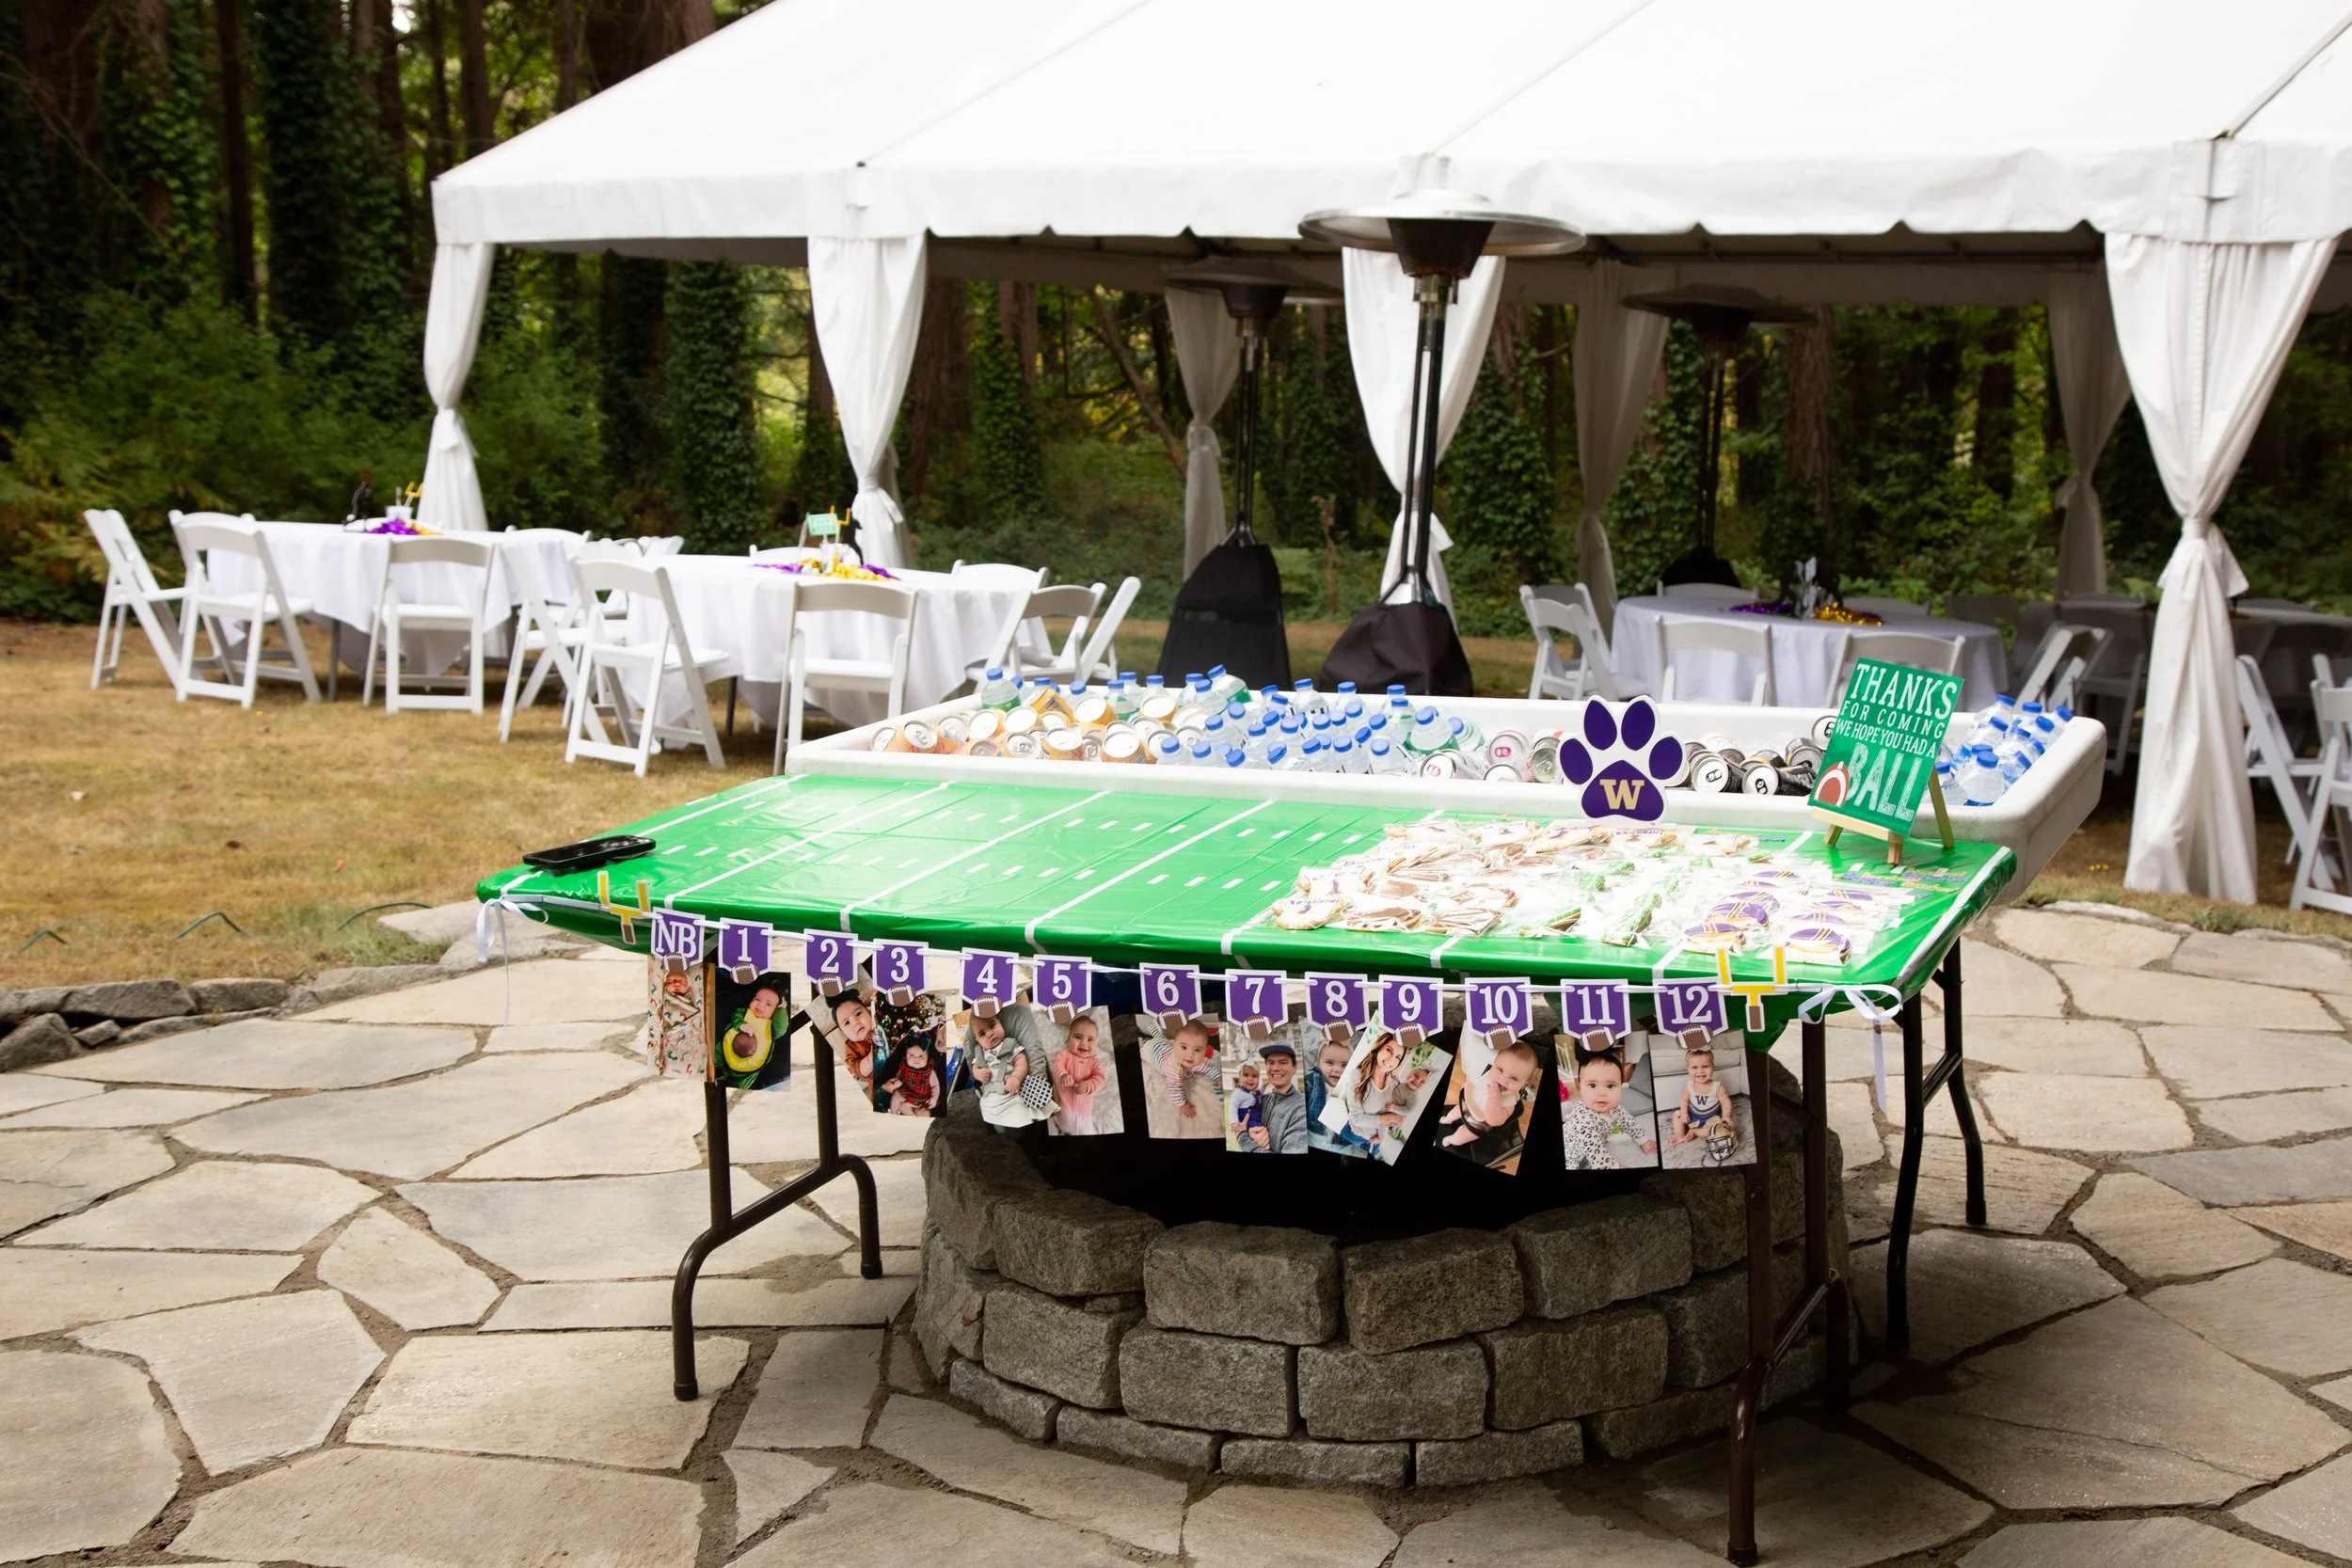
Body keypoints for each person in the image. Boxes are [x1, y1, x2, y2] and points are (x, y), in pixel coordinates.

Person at [1436, 1037, 1539, 1171]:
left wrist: (1494, 1098)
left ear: (1524, 1084)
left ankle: (1451, 1139)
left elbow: (1493, 1120)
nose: (1503, 1080)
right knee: (1454, 1112)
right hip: (1468, 1105)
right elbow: (1473, 1082)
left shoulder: (1510, 1103)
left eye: (1514, 1078)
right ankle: (1447, 1120)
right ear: (1494, 1064)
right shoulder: (1488, 1075)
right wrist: (1467, 1086)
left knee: (1462, 1136)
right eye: (1500, 1069)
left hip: (1479, 1124)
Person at [1561, 1046, 1659, 1171]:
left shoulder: (1615, 1108)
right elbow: (1599, 1158)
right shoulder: (1582, 1122)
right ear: (1580, 1086)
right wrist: (1613, 1166)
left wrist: (1643, 1141)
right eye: (1592, 1085)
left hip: (1595, 1142)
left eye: (1610, 1085)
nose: (1602, 1093)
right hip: (1570, 1154)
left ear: (1621, 1086)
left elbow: (1629, 1123)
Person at [1344, 1031, 1432, 1152]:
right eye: (1389, 1050)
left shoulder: (1394, 1083)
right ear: (1378, 1048)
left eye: (1397, 1057)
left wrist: (1399, 1120)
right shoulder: (1357, 1076)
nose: (1392, 1060)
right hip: (1355, 1136)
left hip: (1377, 1142)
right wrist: (1389, 1117)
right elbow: (1356, 1118)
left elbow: (1399, 1109)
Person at [969, 1004, 1049, 1128]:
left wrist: (1016, 1077)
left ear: (1000, 1022)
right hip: (991, 1099)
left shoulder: (1011, 1045)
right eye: (982, 1034)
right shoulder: (980, 1054)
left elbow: (1021, 1062)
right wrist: (979, 1074)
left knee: (1021, 1112)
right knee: (986, 1113)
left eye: (992, 1026)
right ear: (977, 1040)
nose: (990, 1034)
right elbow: (975, 1069)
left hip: (1013, 1093)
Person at [1146, 1019, 1222, 1138]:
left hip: (1165, 1045)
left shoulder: (1198, 1062)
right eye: (1184, 1047)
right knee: (1153, 1043)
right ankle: (1148, 1037)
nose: (1190, 1055)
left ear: (1204, 1050)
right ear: (1175, 1044)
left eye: (1197, 1050)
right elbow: (1174, 1089)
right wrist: (1183, 1104)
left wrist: (1217, 1078)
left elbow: (1208, 1068)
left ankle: (1155, 1032)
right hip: (1153, 1051)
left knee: (1162, 1040)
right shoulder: (1173, 1070)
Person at [1306, 1036, 1373, 1158]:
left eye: (1344, 1065)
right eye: (1329, 1063)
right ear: (1319, 1063)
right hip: (1311, 1140)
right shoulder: (1312, 1081)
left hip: (1343, 1147)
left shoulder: (1354, 1087)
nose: (1337, 1069)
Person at [1242, 1040, 1309, 1154]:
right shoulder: (1261, 1100)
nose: (1276, 1068)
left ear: (1294, 1068)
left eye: (1283, 1062)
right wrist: (1248, 1131)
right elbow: (1240, 1121)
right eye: (1271, 1062)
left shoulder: (1302, 1110)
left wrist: (1243, 1137)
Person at [1050, 1013, 1110, 1133]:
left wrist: (1087, 1086)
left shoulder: (1094, 1063)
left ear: (1096, 1043)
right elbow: (1057, 1064)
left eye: (1090, 1039)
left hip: (1084, 1117)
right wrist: (1063, 1074)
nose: (1083, 1043)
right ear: (1069, 1038)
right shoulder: (1065, 1055)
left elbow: (1100, 1079)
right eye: (1078, 1037)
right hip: (1062, 1110)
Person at [1668, 1045, 1733, 1151]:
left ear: (1713, 1067)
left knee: (1719, 1128)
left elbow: (1726, 1102)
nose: (1701, 1071)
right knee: (1676, 1115)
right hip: (1692, 1115)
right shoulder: (1689, 1086)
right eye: (1695, 1067)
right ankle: (1679, 1136)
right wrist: (1684, 1113)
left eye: (1705, 1067)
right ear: (1688, 1069)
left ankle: (1695, 1132)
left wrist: (1726, 1116)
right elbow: (1684, 1101)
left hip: (1710, 1118)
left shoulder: (1717, 1087)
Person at [826, 991, 878, 1093]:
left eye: (858, 1013)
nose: (855, 1022)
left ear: (869, 1012)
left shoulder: (879, 1025)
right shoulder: (852, 1047)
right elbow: (858, 1070)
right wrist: (870, 1059)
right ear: (844, 1033)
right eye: (847, 1023)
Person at [880, 1038, 942, 1116]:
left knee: (925, 1113)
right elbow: (898, 1076)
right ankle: (894, 1114)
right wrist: (896, 1081)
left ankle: (917, 1120)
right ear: (906, 1056)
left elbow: (935, 1086)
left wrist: (934, 1098)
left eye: (921, 1056)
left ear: (927, 1058)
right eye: (911, 1055)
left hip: (923, 1099)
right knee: (896, 1095)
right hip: (907, 1093)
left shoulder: (929, 1072)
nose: (916, 1059)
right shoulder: (904, 1067)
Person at [1228, 1060, 1264, 1147]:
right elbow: (1233, 1107)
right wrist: (1234, 1122)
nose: (1250, 1079)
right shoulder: (1238, 1093)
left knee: (1263, 1135)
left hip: (1257, 1120)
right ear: (1240, 1077)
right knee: (1259, 1137)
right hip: (1248, 1122)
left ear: (1258, 1079)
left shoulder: (1254, 1091)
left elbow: (1259, 1096)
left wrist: (1264, 1087)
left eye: (1254, 1076)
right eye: (1246, 1075)